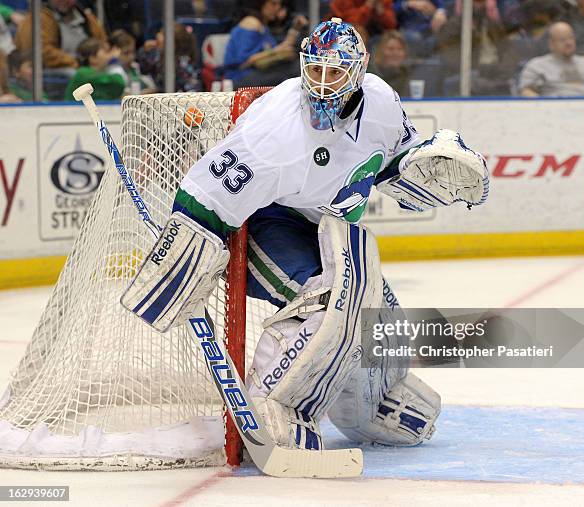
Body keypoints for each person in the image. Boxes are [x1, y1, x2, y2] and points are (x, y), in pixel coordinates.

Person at [121, 18, 488, 452]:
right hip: (264, 223)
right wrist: (179, 261)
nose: (324, 84)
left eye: (336, 72)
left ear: (360, 71)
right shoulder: (274, 130)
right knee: (328, 304)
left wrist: (417, 168)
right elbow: (206, 195)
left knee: (379, 317)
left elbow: (389, 161)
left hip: (327, 227)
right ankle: (274, 406)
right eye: (316, 70)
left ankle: (369, 407)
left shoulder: (383, 101)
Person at [223, 0, 308, 88]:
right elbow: (244, 62)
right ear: (260, 4)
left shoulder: (263, 25)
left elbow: (283, 47)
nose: (278, 8)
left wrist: (295, 28)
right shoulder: (251, 22)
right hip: (240, 77)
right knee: (296, 68)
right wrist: (275, 51)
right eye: (273, 4)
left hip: (258, 73)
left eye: (279, 4)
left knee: (296, 66)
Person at [15, 0, 106, 70]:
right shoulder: (36, 20)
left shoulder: (88, 19)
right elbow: (42, 53)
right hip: (54, 73)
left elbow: (104, 44)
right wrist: (78, 63)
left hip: (89, 66)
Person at [519, 22, 584, 97]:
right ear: (551, 44)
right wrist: (542, 105)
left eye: (571, 38)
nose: (569, 43)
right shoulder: (537, 65)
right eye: (563, 40)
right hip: (551, 107)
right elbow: (525, 91)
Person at [137, 23, 201, 92]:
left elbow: (185, 88)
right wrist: (145, 51)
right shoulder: (158, 56)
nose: (157, 35)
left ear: (174, 44)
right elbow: (144, 70)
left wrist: (157, 92)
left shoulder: (182, 64)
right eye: (159, 32)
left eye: (163, 34)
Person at [108, 29, 156, 95]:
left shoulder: (135, 67)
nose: (131, 57)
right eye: (126, 53)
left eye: (133, 52)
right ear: (115, 52)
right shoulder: (113, 71)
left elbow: (152, 87)